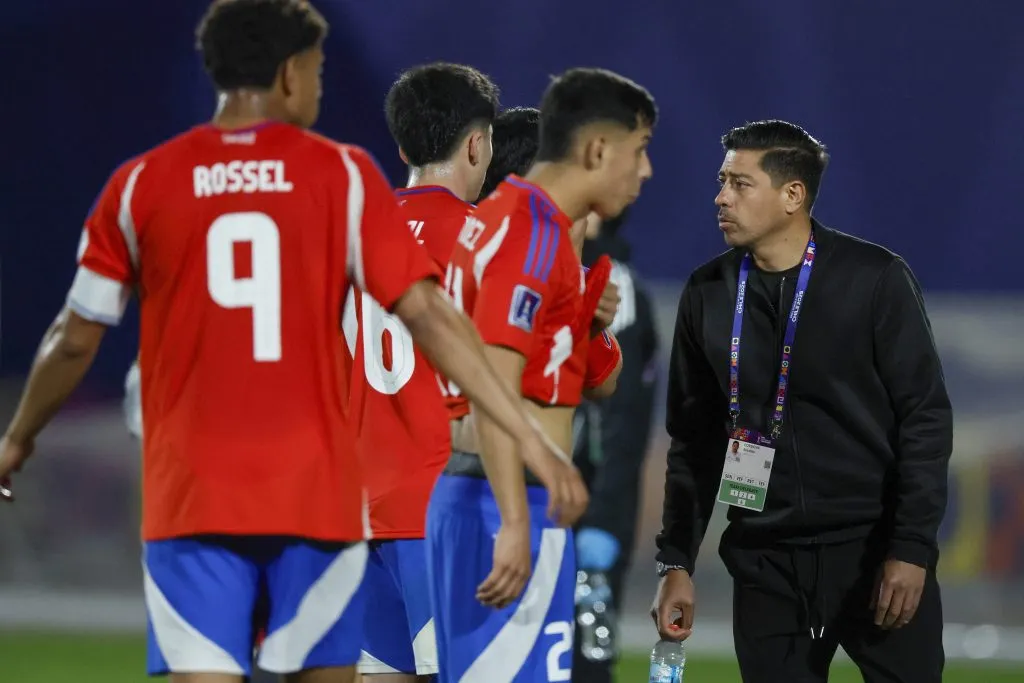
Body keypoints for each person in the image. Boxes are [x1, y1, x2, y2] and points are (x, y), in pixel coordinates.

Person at [0, 1, 577, 680]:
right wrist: (524, 428)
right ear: (288, 73)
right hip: (323, 494)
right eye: (317, 68)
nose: (321, 84)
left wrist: (18, 438)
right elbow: (427, 315)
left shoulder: (142, 181)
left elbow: (74, 336)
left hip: (199, 488)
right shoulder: (342, 177)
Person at [652, 119, 952, 683]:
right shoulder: (707, 292)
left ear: (794, 195)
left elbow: (925, 418)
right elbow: (692, 442)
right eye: (721, 182)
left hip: (874, 555)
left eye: (740, 184)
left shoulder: (874, 279)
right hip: (765, 562)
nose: (720, 197)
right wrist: (677, 562)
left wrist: (911, 548)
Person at [427, 68, 657, 682]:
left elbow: (592, 382)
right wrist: (515, 521)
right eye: (639, 152)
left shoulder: (528, 226)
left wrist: (583, 322)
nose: (646, 172)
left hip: (504, 496)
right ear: (597, 149)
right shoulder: (530, 230)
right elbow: (492, 387)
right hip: (500, 498)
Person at [347, 62, 499, 683]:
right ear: (476, 143)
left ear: (404, 146)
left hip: (354, 512)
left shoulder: (349, 232)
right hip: (443, 512)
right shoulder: (483, 240)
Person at [571, 208, 659, 683]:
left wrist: (603, 520)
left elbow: (622, 420)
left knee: (586, 663)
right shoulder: (552, 270)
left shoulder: (614, 290)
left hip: (585, 512)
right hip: (556, 505)